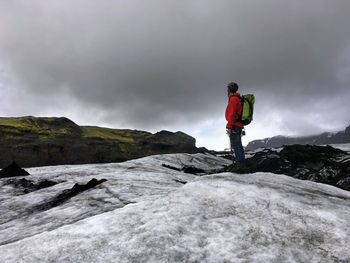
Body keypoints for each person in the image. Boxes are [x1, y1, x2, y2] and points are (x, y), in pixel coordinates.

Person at [225, 82, 245, 165]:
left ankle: (239, 164)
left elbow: (232, 114)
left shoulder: (233, 99)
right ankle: (241, 162)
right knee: (238, 145)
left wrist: (229, 127)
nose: (227, 91)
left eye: (228, 89)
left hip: (235, 125)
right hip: (238, 125)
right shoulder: (238, 98)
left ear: (230, 90)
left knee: (236, 145)